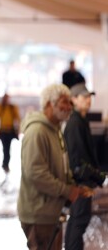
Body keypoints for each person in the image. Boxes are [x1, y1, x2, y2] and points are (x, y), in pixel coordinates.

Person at [17, 84, 93, 250]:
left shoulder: (55, 129)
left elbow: (61, 166)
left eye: (69, 102)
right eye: (64, 102)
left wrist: (73, 187)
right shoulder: (37, 131)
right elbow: (36, 174)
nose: (68, 107)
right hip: (38, 214)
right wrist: (67, 190)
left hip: (50, 212)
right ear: (49, 104)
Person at [63, 83, 105, 250]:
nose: (88, 100)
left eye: (89, 97)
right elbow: (77, 160)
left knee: (78, 221)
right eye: (84, 97)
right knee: (78, 220)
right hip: (80, 183)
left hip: (83, 181)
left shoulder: (80, 120)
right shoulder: (75, 123)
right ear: (73, 99)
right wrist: (97, 177)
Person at [0, 93, 20, 173]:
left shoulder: (12, 108)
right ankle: (5, 164)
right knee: (6, 148)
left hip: (10, 131)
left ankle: (5, 164)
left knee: (7, 148)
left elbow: (17, 118)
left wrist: (17, 129)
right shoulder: (0, 107)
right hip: (3, 131)